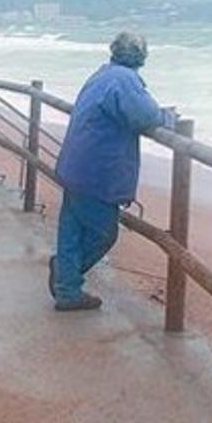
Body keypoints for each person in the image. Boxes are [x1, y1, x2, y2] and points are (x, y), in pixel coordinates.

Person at [50, 31, 175, 311]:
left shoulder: (102, 74)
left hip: (75, 164)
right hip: (96, 171)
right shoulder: (125, 80)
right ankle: (65, 279)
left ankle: (66, 288)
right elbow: (146, 116)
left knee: (71, 229)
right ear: (141, 57)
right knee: (104, 233)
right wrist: (169, 117)